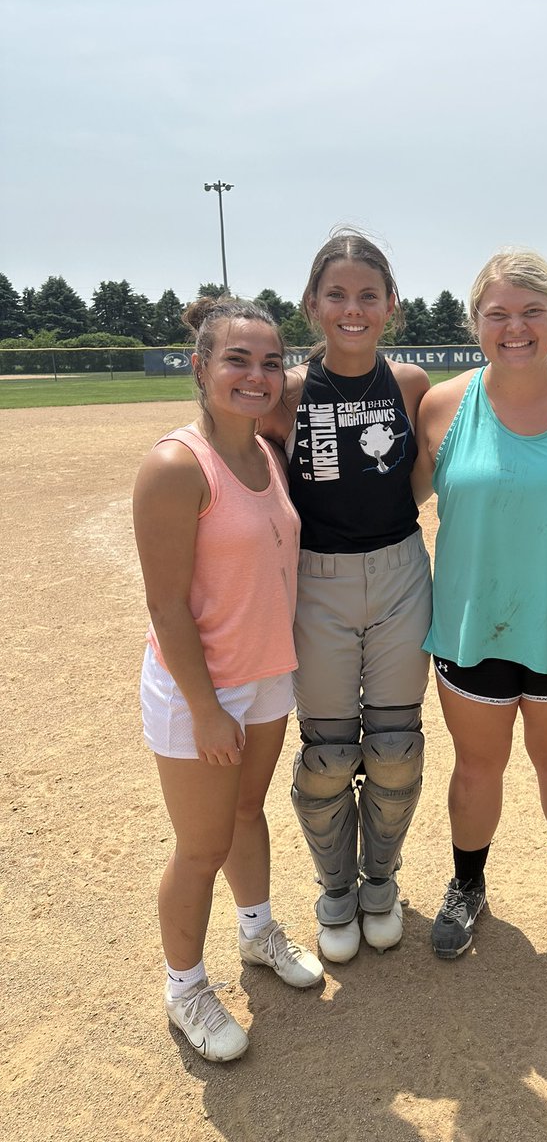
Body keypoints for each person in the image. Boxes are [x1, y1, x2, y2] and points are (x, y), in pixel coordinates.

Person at [414, 248, 547, 962]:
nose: (515, 327)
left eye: (532, 311)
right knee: (476, 769)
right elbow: (391, 505)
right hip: (472, 626)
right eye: (498, 313)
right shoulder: (444, 406)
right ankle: (467, 883)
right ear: (475, 320)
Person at [133, 297, 324, 1065]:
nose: (257, 375)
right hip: (199, 689)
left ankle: (258, 934)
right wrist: (207, 710)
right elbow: (165, 606)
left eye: (270, 361)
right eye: (236, 360)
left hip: (267, 674)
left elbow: (328, 373)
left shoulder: (267, 452)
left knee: (249, 812)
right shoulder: (178, 465)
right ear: (199, 366)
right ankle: (185, 989)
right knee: (200, 846)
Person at [261, 229, 432, 964]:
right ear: (312, 304)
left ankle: (379, 880)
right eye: (337, 294)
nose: (352, 308)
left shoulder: (414, 383)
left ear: (390, 305)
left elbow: (420, 473)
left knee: (395, 749)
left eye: (368, 295)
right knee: (328, 754)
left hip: (399, 572)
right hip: (317, 583)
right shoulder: (288, 396)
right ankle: (334, 887)